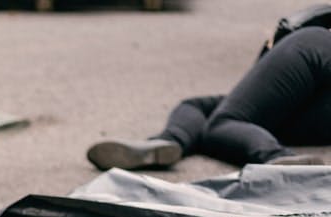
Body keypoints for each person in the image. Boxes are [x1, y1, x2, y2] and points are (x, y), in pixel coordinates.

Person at [86, 25, 331, 171]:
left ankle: (277, 159)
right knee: (203, 108)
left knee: (222, 122)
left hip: (316, 50)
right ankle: (172, 141)